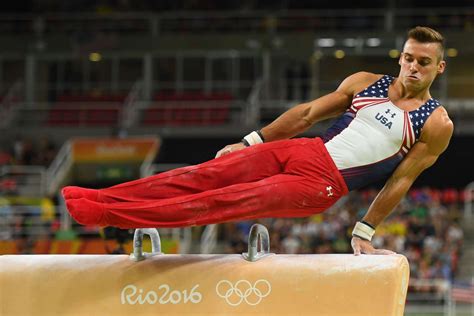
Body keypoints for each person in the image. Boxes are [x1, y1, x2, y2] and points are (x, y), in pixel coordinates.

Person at [63, 26, 453, 256]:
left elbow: (400, 179)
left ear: (439, 66)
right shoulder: (365, 82)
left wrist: (363, 231)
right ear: (399, 57)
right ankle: (102, 197)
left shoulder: (435, 123)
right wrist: (251, 142)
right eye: (407, 58)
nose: (412, 67)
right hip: (305, 150)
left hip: (322, 184)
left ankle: (107, 216)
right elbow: (305, 115)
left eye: (422, 62)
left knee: (224, 201)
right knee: (205, 173)